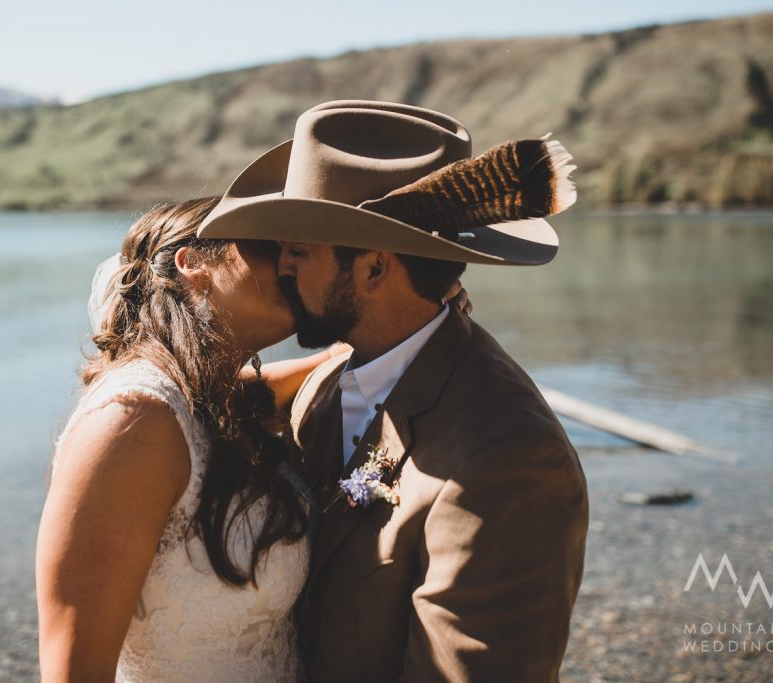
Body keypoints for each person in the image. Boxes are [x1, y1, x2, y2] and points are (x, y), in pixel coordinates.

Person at [197, 100, 590, 681]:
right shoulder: (334, 376)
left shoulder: (506, 458)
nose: (280, 267)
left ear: (375, 269)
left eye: (298, 250)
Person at [35, 197, 345, 682]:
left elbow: (308, 371)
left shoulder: (218, 397)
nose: (289, 258)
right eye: (268, 245)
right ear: (193, 262)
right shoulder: (133, 422)